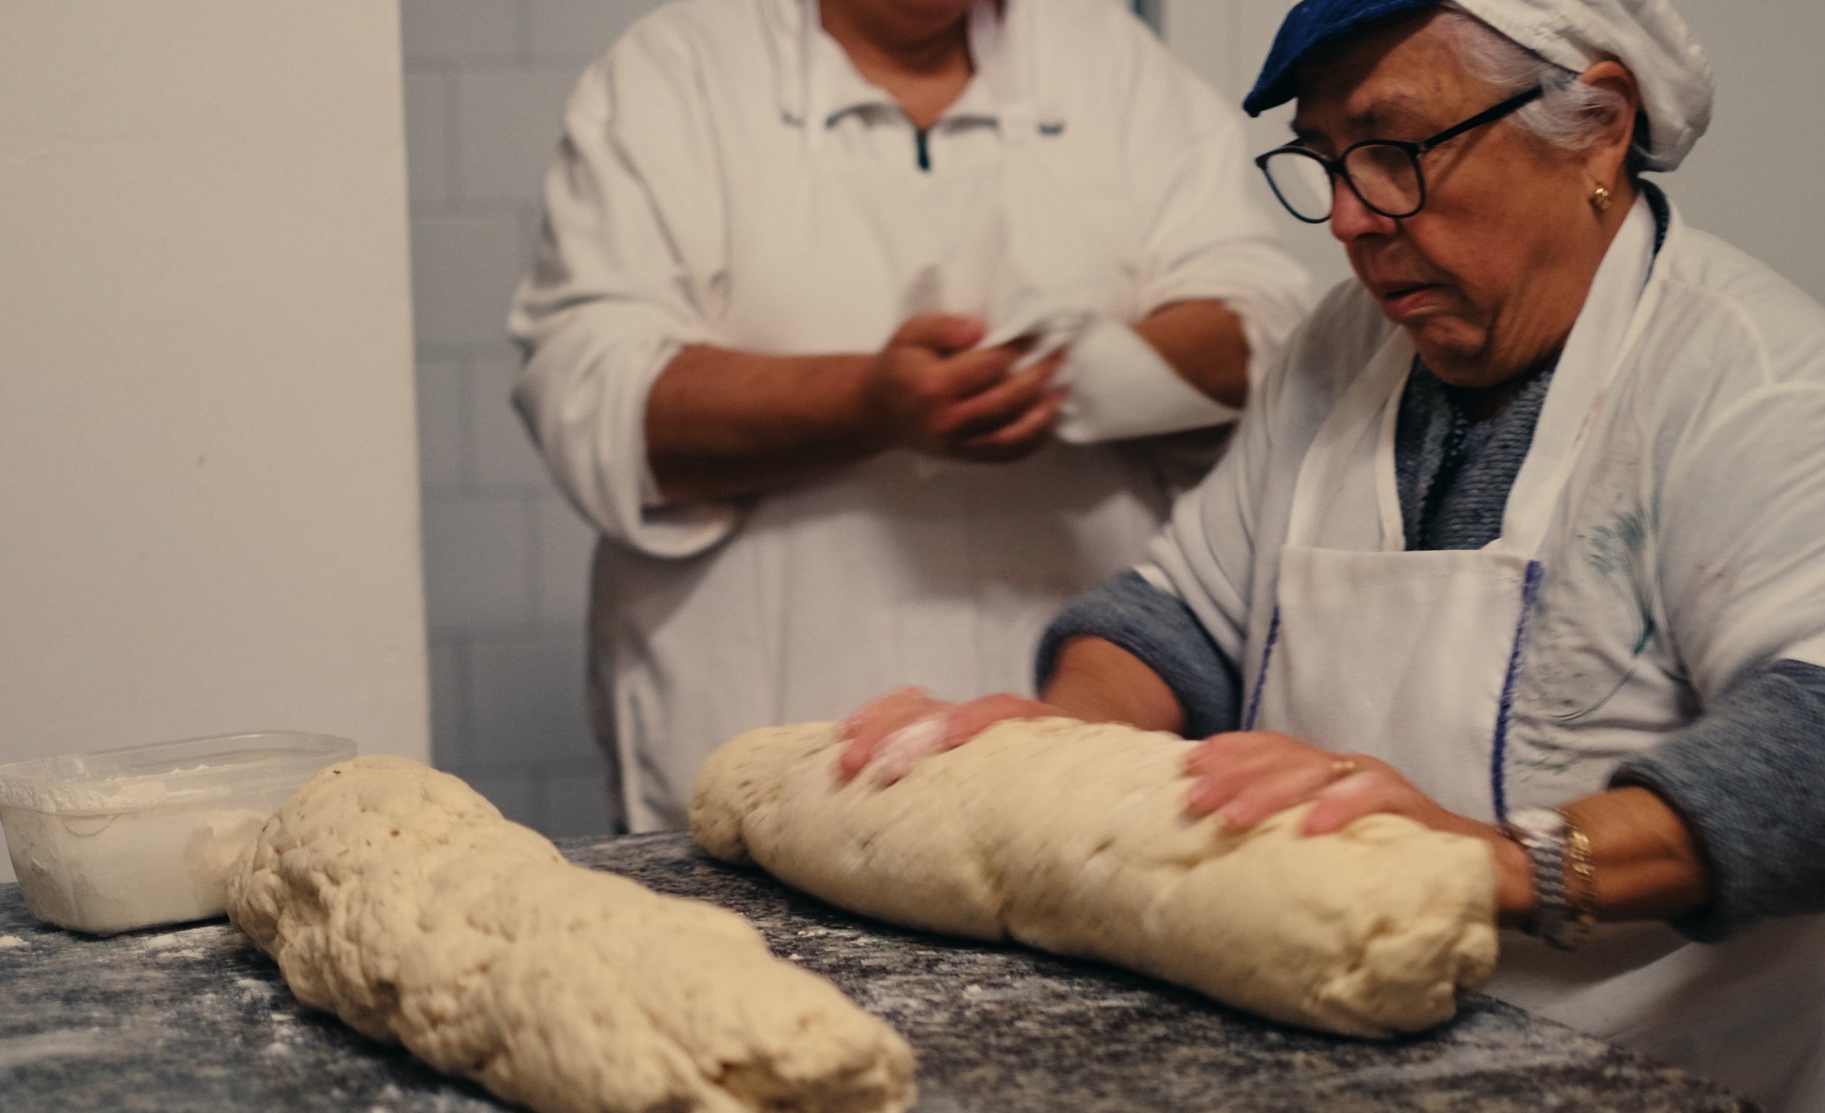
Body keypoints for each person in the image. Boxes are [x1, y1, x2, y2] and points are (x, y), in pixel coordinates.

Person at [838, 0, 1825, 1113]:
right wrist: (1050, 750)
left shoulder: (1752, 384)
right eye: (1326, 160)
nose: (1352, 217)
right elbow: (1178, 615)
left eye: (1395, 148)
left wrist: (1499, 862)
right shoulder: (1336, 357)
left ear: (1599, 124)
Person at [508, 0, 1310, 831]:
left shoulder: (1114, 62)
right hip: (755, 736)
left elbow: (1268, 336)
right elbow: (595, 398)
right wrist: (870, 406)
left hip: (1080, 741)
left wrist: (1080, 372)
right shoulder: (677, 71)